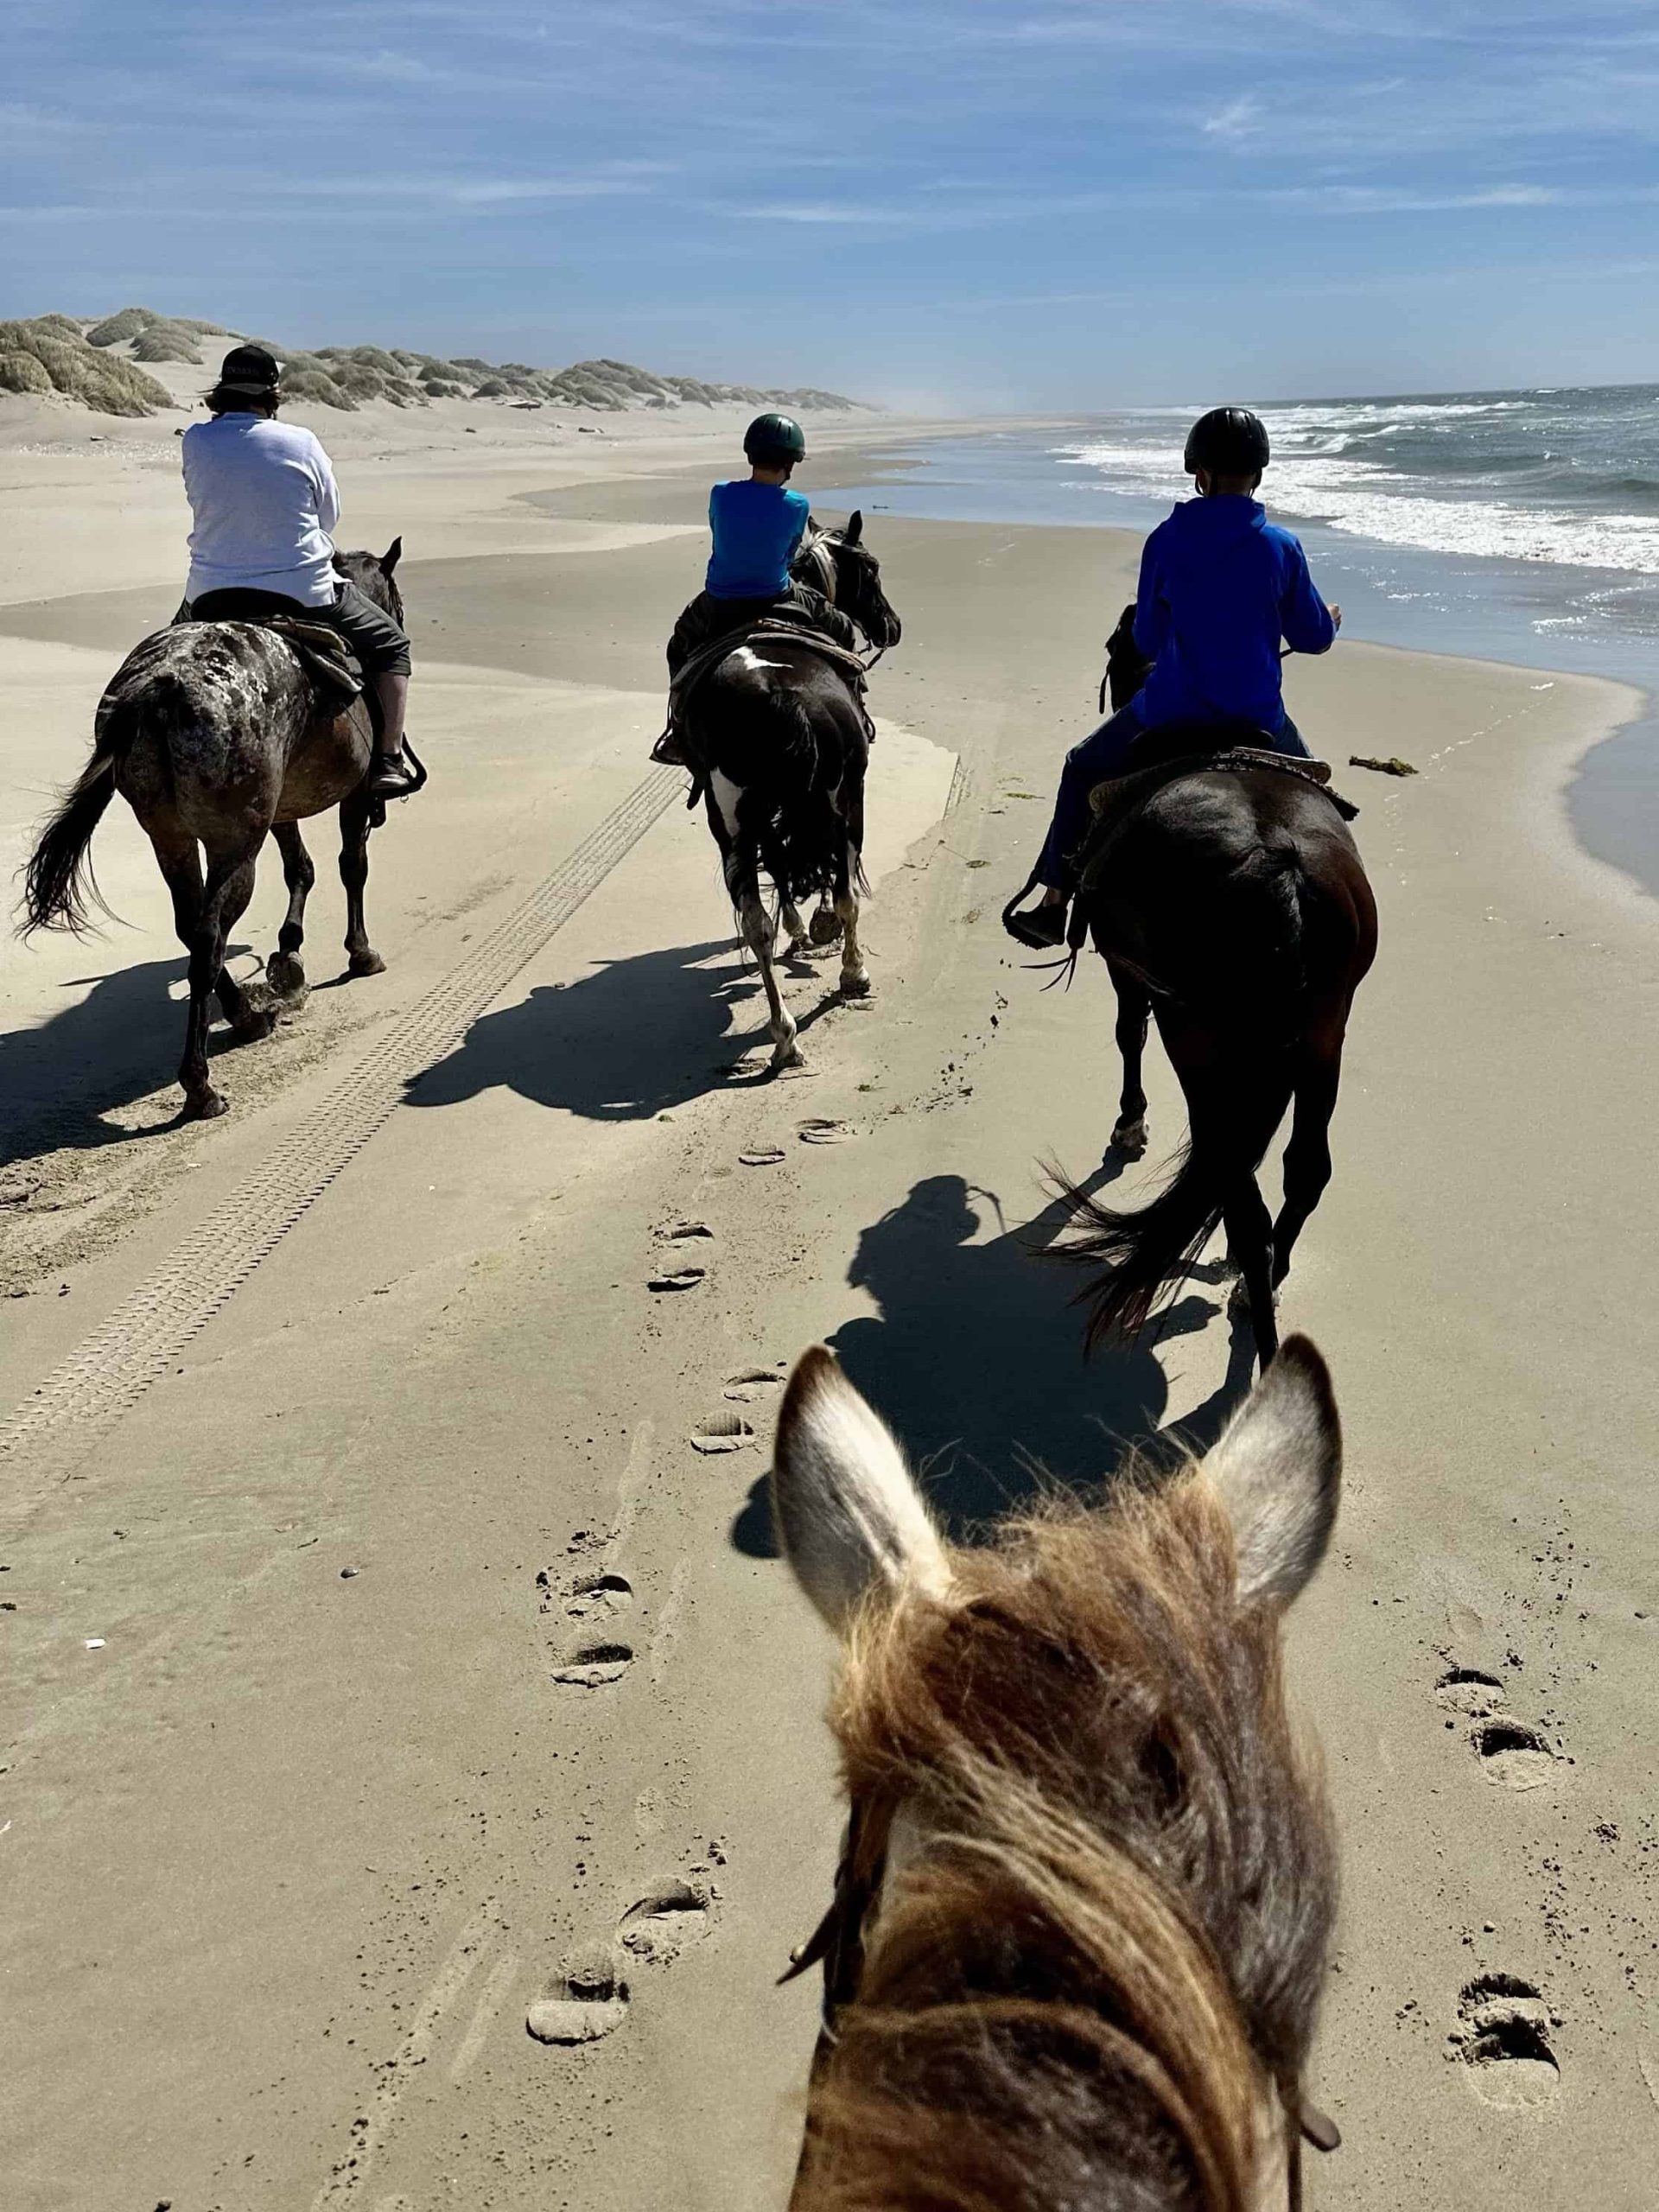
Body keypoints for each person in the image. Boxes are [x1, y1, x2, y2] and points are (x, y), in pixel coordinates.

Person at [1006, 406, 1340, 948]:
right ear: (1258, 473)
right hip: (1259, 717)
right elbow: (1314, 639)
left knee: (1081, 766)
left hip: (1168, 711)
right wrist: (1330, 619)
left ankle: (1053, 900)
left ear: (1199, 475)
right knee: (1321, 797)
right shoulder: (1282, 546)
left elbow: (1148, 642)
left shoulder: (1166, 539)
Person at [179, 343, 419, 801]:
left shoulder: (195, 440)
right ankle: (388, 760)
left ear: (221, 394)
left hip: (210, 593)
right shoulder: (300, 441)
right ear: (272, 394)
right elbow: (328, 518)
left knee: (163, 658)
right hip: (302, 591)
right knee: (392, 646)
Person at [652, 412, 857, 766]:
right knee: (842, 630)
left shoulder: (720, 494)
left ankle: (678, 729)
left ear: (750, 455)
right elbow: (790, 553)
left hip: (719, 600)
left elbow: (719, 531)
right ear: (791, 464)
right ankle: (856, 707)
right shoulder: (797, 505)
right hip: (777, 595)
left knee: (679, 645)